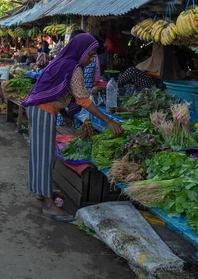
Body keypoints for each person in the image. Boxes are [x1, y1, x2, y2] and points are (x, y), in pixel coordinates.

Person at [23, 34, 123, 223]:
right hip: (43, 111)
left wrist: (66, 115)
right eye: (89, 54)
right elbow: (83, 99)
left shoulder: (63, 61)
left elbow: (61, 92)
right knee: (44, 157)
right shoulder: (73, 67)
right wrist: (108, 121)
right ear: (81, 51)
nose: (91, 59)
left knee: (42, 154)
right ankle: (48, 205)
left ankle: (41, 191)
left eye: (93, 55)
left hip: (38, 109)